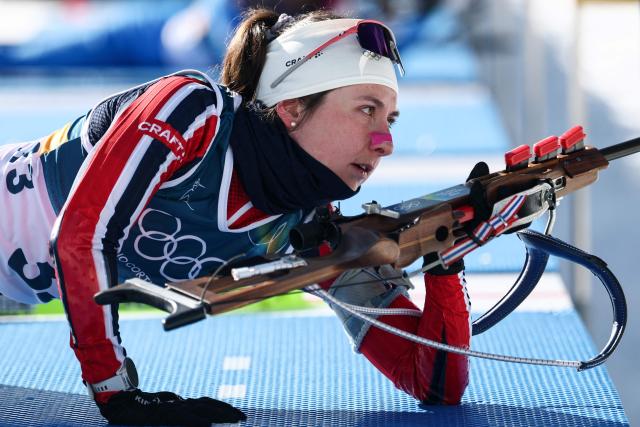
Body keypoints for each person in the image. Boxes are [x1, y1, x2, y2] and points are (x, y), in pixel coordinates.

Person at [0, 7, 470, 426]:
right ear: (291, 109)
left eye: (390, 119)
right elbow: (79, 236)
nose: (385, 142)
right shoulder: (192, 110)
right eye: (367, 110)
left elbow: (431, 381)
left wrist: (446, 261)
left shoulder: (306, 226)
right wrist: (115, 390)